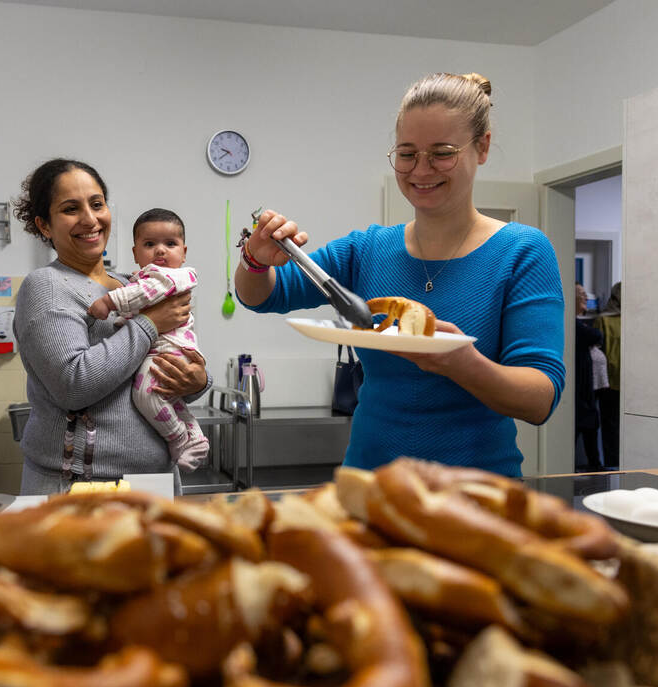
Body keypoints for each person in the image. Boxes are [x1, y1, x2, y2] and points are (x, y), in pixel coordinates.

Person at [235, 72, 565, 477]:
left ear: (483, 146)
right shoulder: (366, 249)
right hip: (370, 486)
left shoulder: (522, 252)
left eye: (442, 152)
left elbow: (539, 399)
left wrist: (460, 363)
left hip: (477, 493)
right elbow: (263, 295)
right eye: (407, 154)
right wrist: (256, 258)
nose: (421, 171)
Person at [12, 159, 210, 495]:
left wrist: (197, 380)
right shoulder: (46, 286)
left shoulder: (132, 283)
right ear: (44, 225)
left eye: (97, 204)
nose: (90, 219)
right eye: (71, 208)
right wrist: (149, 324)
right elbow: (73, 384)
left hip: (155, 481)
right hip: (84, 487)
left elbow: (165, 357)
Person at [88, 208, 210, 471]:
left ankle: (178, 438)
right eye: (150, 244)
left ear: (184, 251)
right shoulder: (139, 278)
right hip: (166, 349)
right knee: (169, 399)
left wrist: (110, 302)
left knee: (146, 395)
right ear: (135, 253)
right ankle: (195, 436)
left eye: (170, 244)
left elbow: (144, 294)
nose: (160, 251)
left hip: (167, 351)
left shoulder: (170, 277)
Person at [574, 284, 604, 471]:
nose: (586, 297)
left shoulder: (577, 323)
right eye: (582, 294)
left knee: (590, 425)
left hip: (585, 389)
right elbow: (595, 335)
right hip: (577, 390)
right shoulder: (573, 325)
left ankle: (595, 466)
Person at [594, 282, 621, 468]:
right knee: (610, 426)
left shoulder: (636, 319)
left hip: (632, 384)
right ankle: (612, 465)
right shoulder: (604, 319)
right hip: (610, 382)